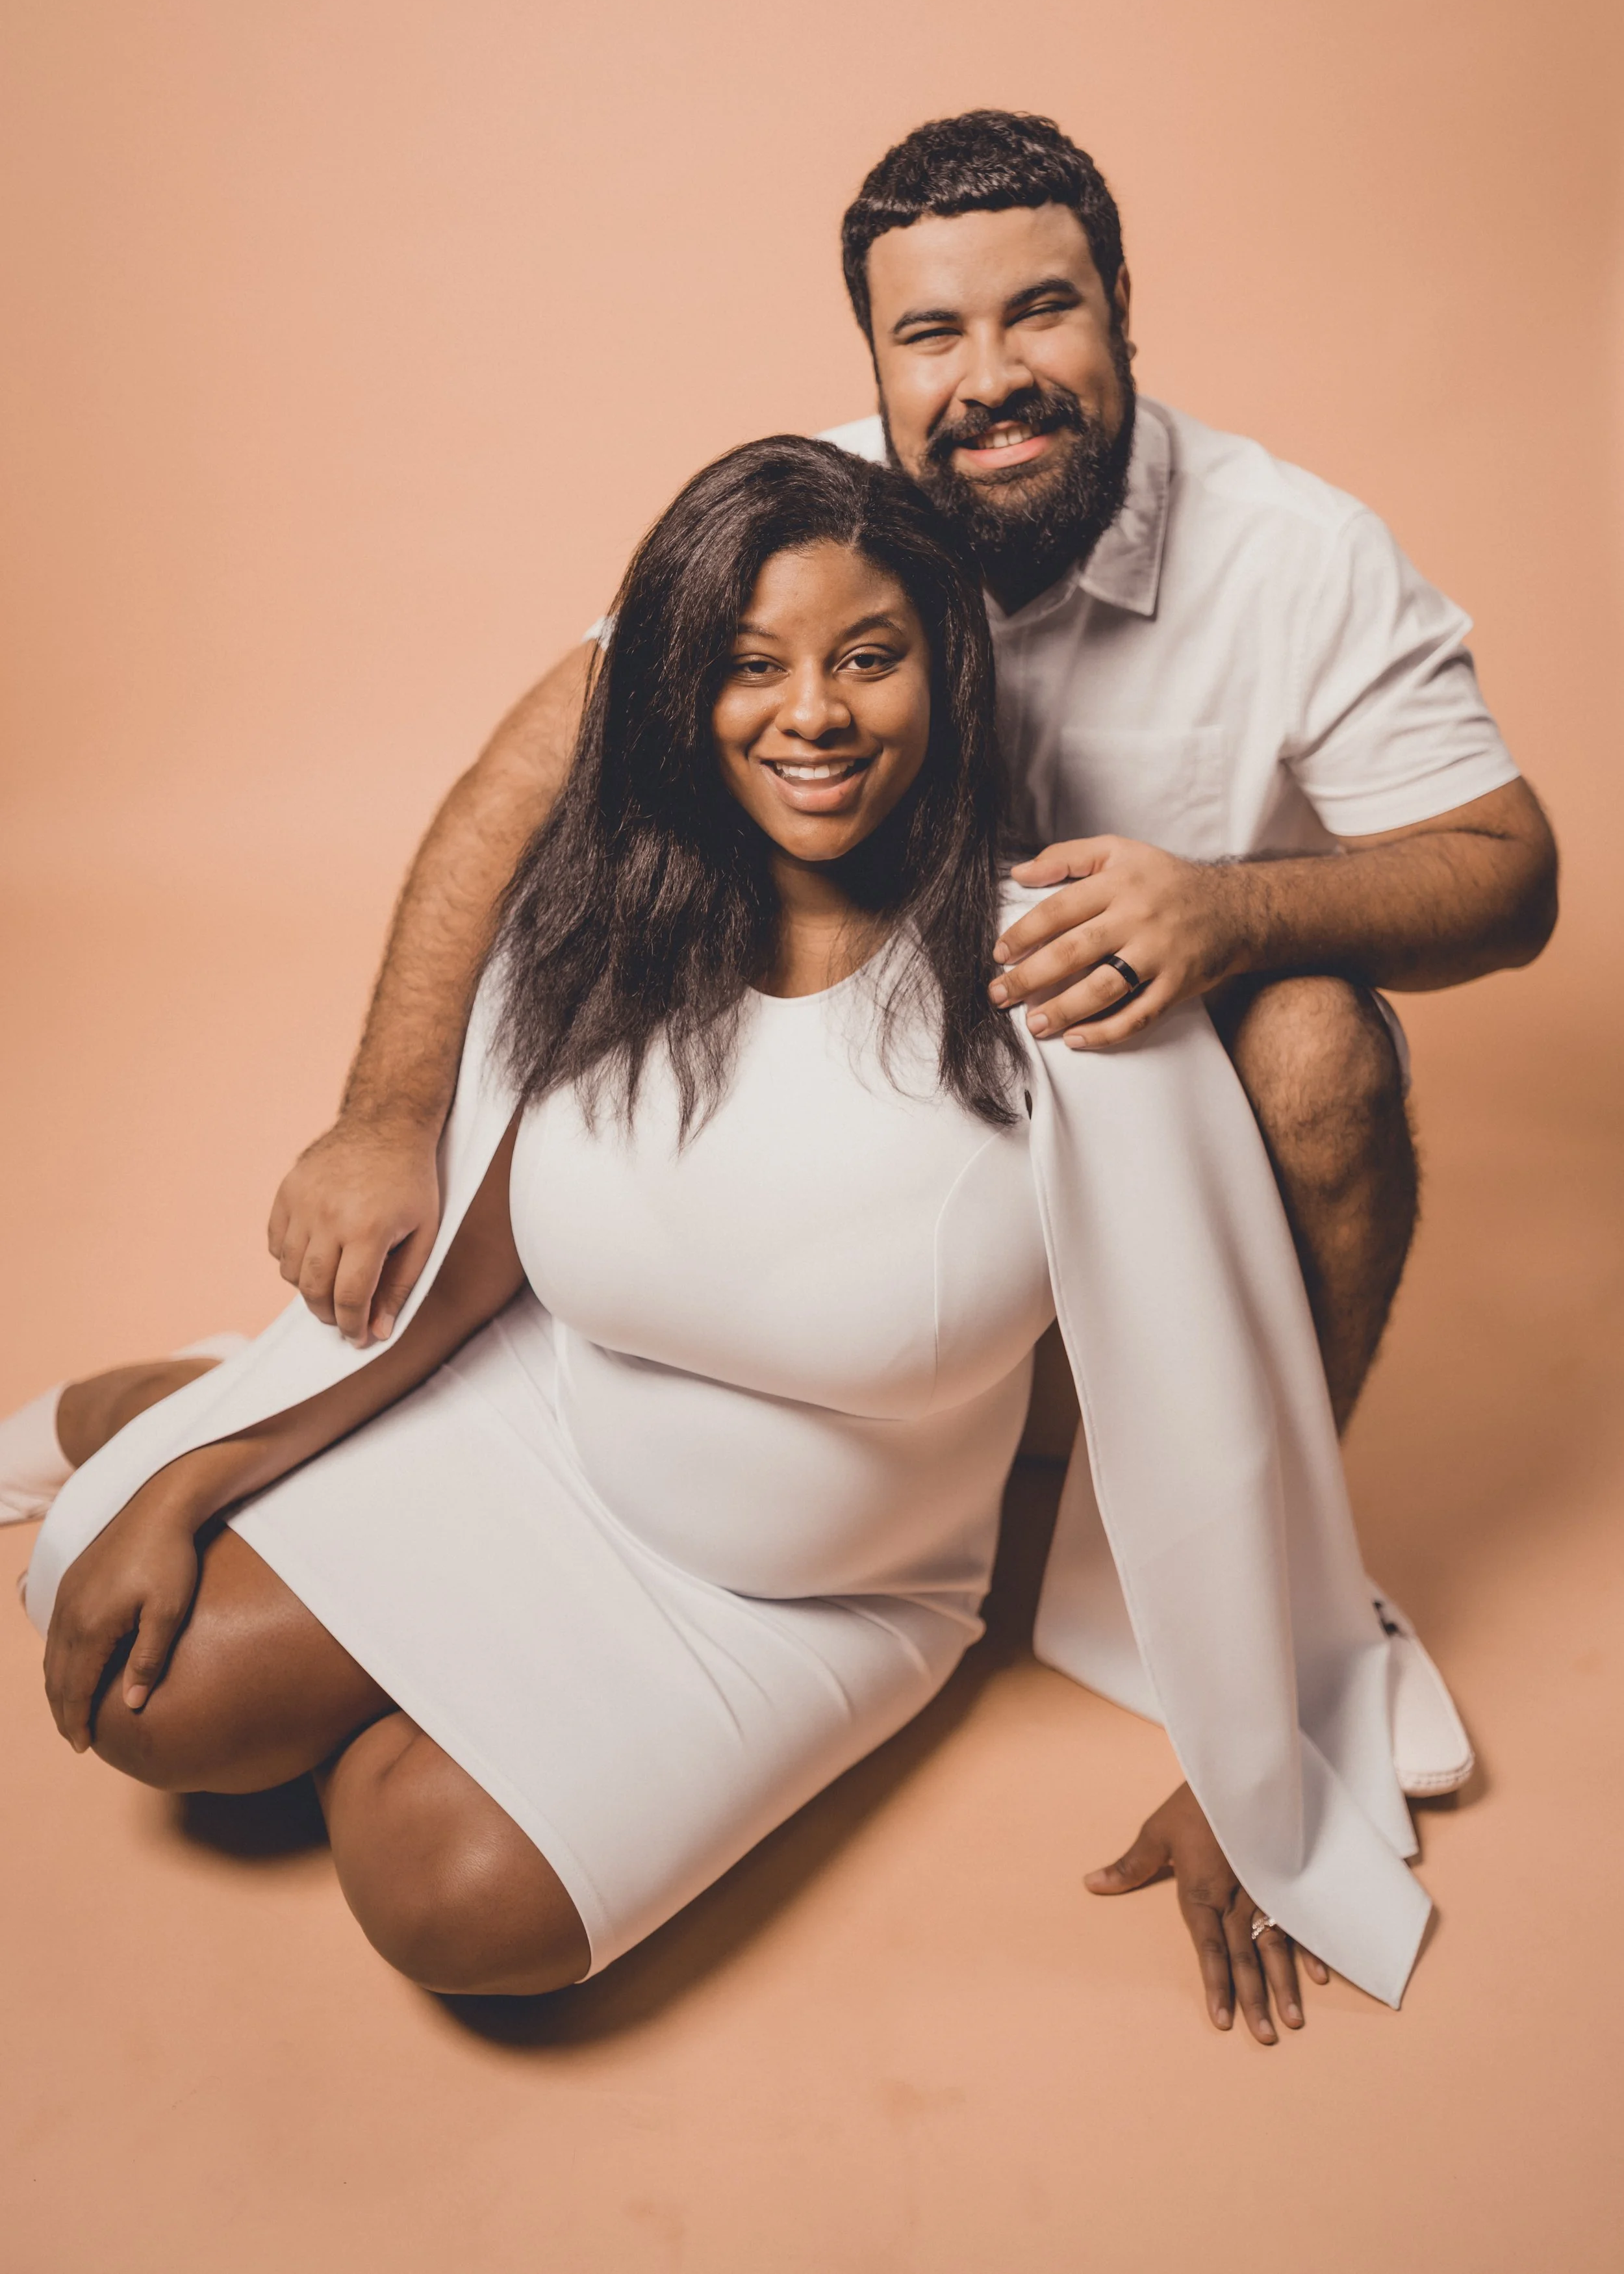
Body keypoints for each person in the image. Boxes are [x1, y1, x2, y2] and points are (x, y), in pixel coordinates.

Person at [13, 441, 1428, 2034]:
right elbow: (476, 1264)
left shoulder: (1057, 979)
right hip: (541, 1429)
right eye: (748, 667)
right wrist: (203, 1476)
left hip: (823, 1601)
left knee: (450, 1902)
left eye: (865, 659)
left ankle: (347, 1613)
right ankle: (172, 1428)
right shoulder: (597, 921)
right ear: (680, 692)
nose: (808, 714)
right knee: (156, 1710)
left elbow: (1211, 1395)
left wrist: (1252, 1768)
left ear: (948, 680)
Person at [264, 113, 1556, 1452]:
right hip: (864, 1076)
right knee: (600, 915)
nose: (988, 378)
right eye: (930, 335)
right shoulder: (814, 518)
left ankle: (1267, 1525)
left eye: (1040, 312)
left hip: (1149, 1087)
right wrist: (383, 1119)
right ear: (878, 356)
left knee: (1318, 1043)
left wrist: (1231, 913)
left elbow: (1506, 874)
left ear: (1120, 309)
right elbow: (513, 791)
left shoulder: (1301, 556)